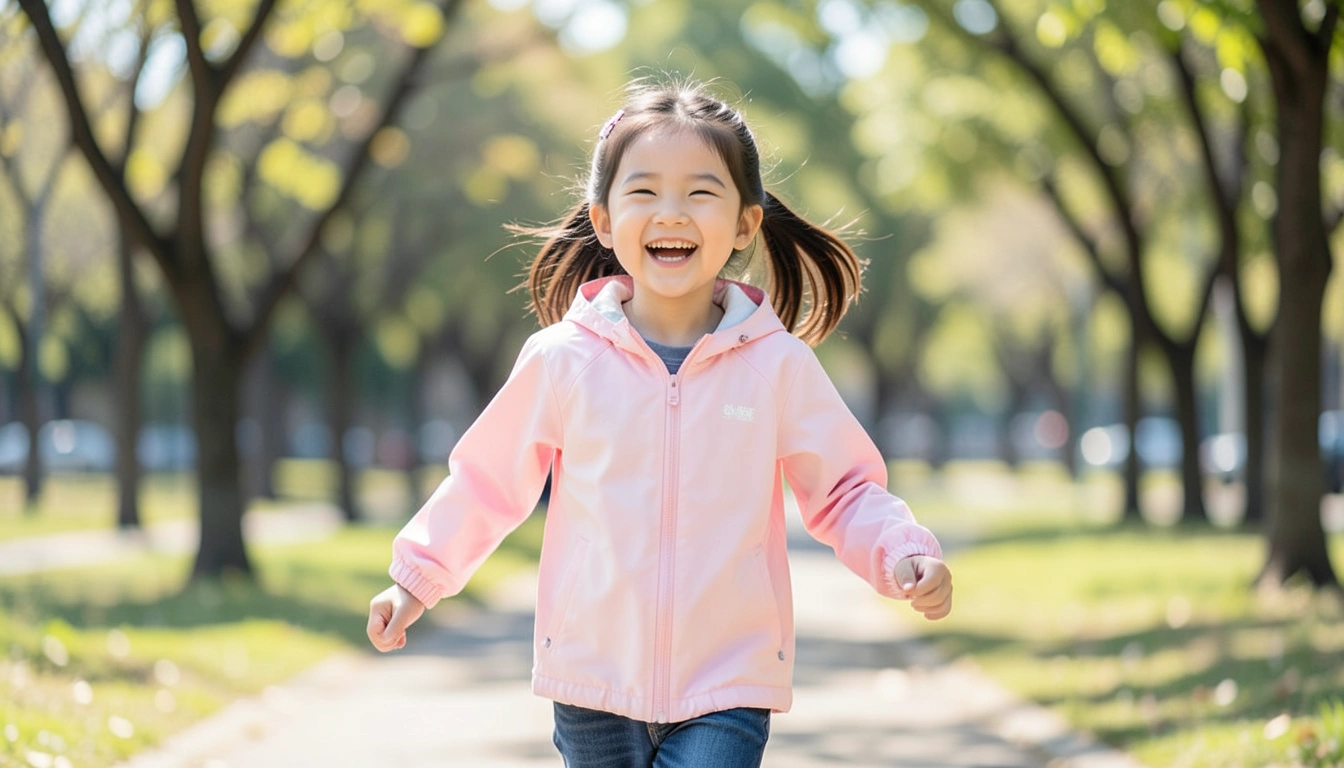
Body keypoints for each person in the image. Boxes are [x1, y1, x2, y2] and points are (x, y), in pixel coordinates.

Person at [367, 78, 953, 767]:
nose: (671, 213)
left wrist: (901, 550)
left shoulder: (777, 367)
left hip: (728, 682)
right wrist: (414, 581)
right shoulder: (563, 360)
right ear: (605, 219)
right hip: (591, 678)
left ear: (744, 224)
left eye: (701, 193)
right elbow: (487, 483)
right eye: (644, 192)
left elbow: (845, 488)